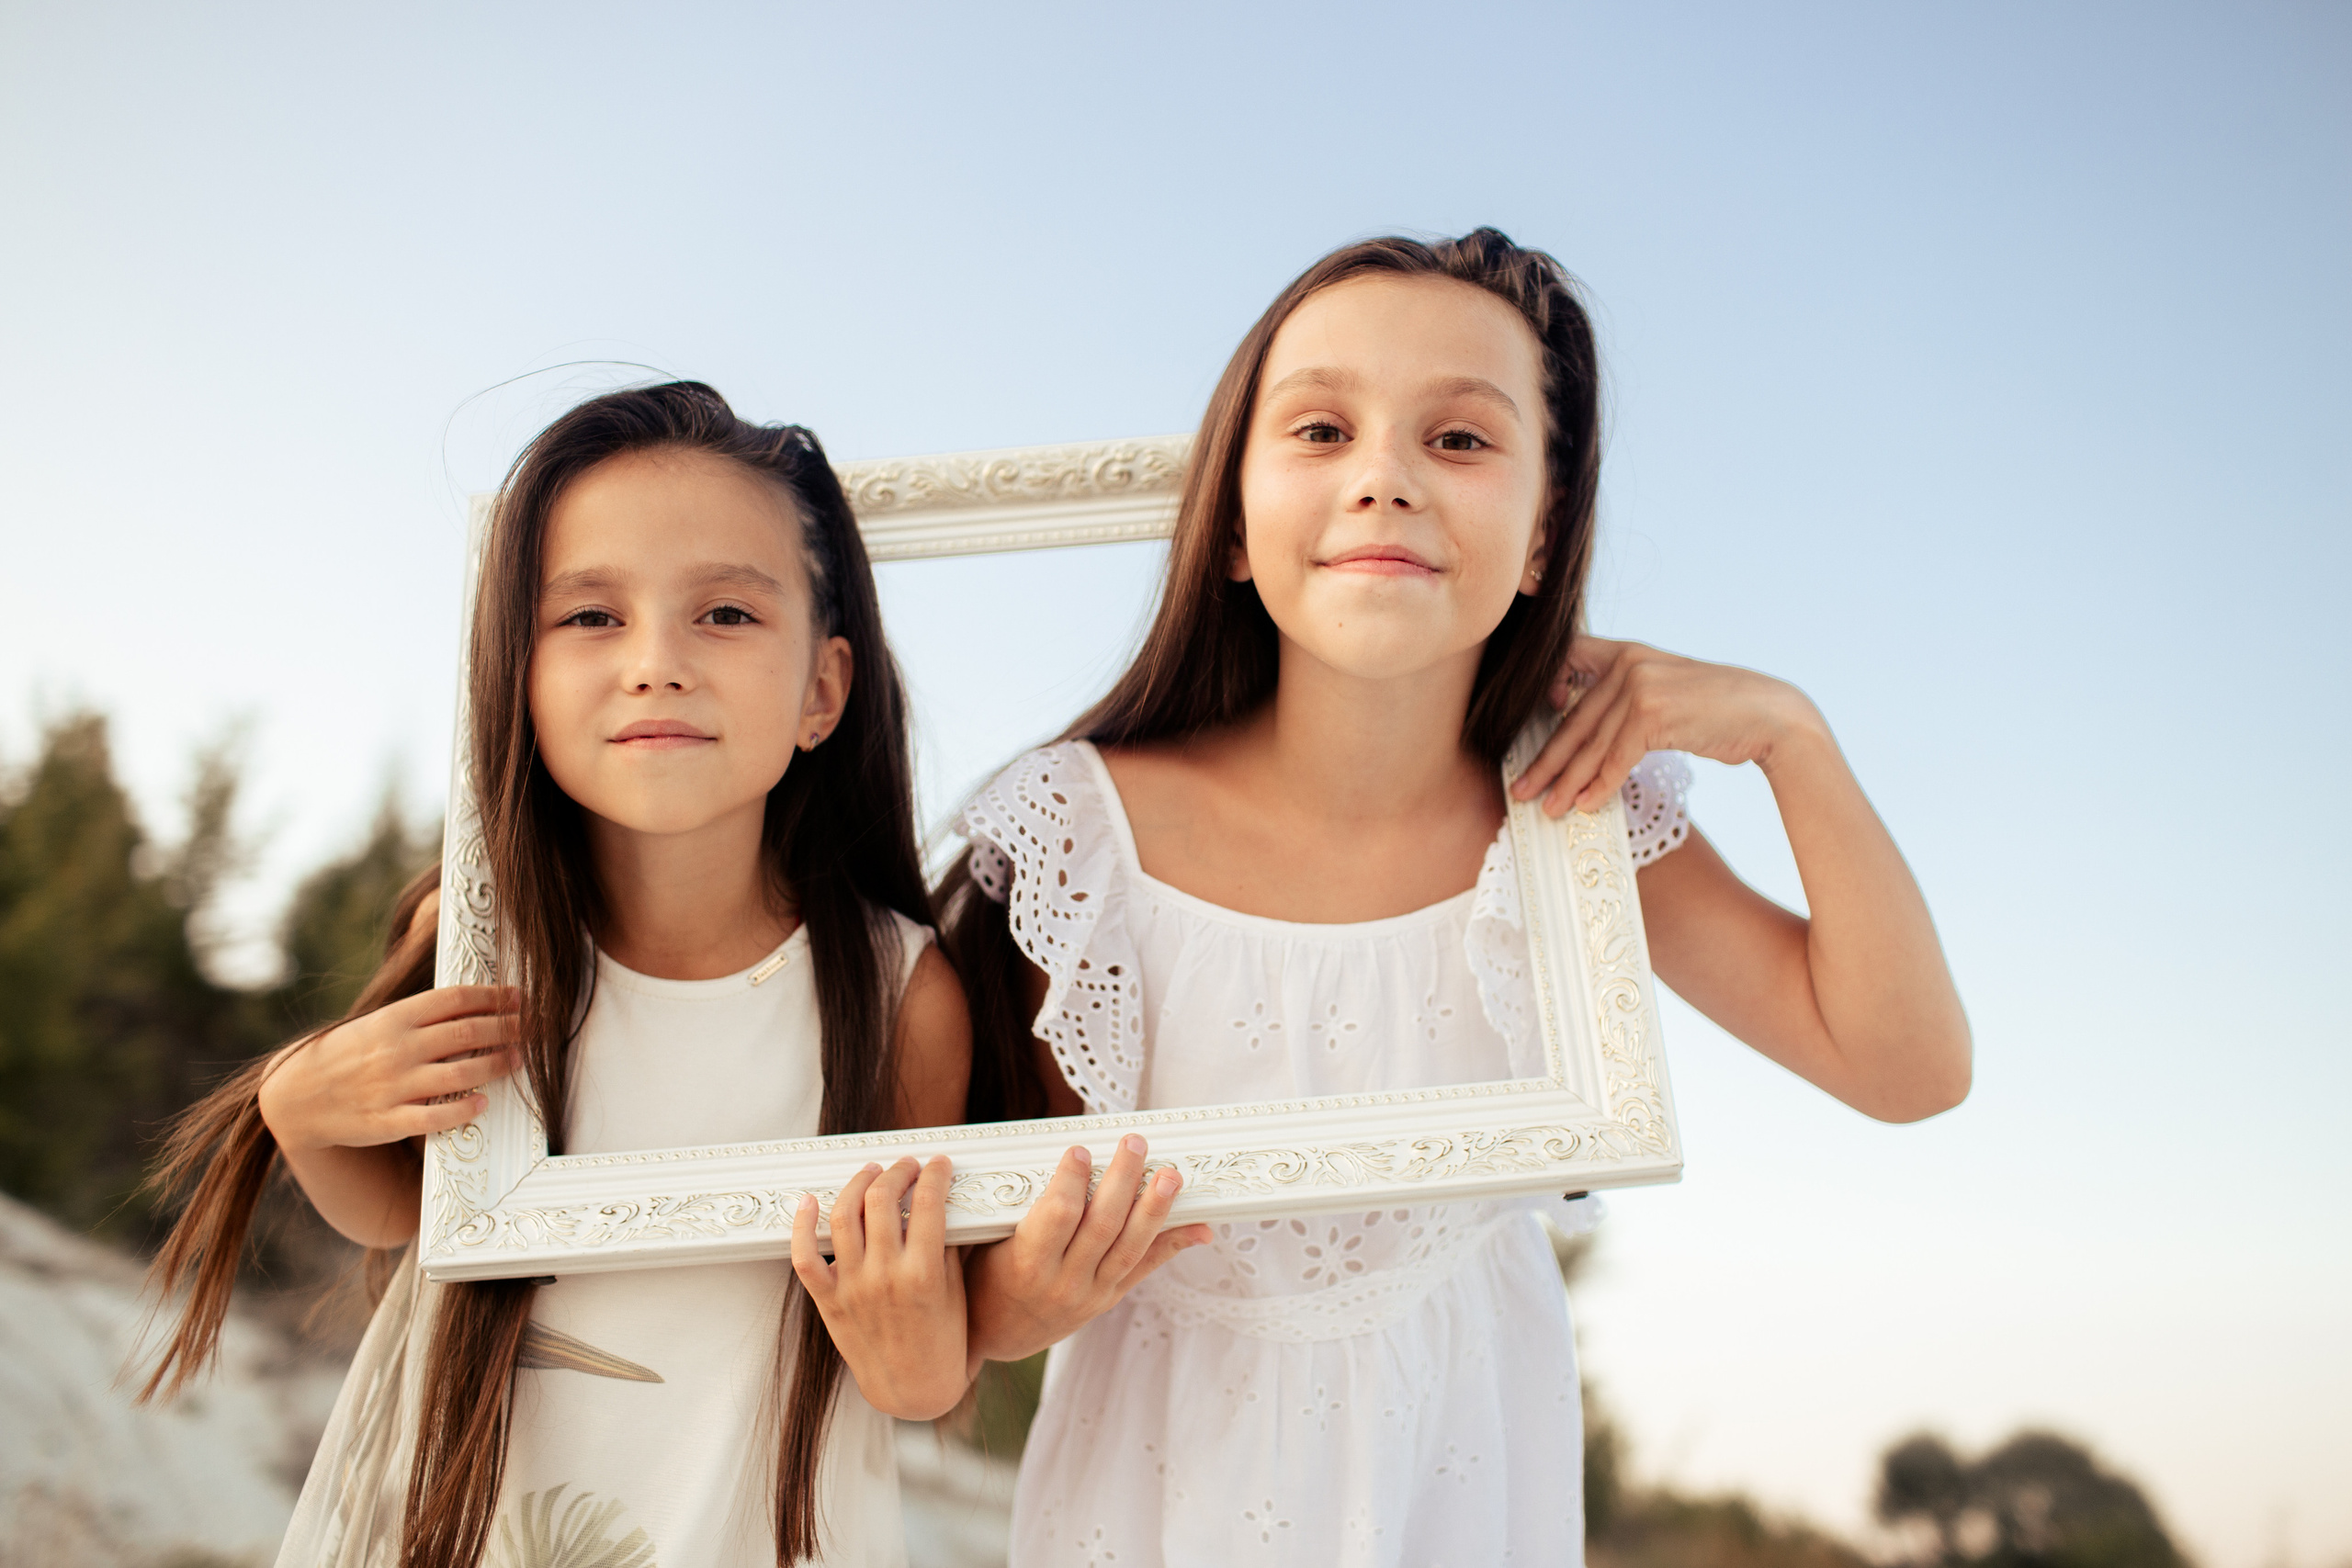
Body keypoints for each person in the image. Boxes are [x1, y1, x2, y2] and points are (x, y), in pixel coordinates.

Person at [945, 229, 1973, 1565]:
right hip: (1154, 1491)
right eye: (1320, 429)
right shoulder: (1084, 831)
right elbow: (957, 1273)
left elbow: (1907, 1068)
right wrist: (1013, 1301)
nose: (1384, 480)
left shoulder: (1573, 822)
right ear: (1238, 526)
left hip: (1463, 1476)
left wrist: (1792, 734)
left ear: (1543, 538)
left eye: (1462, 441)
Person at [140, 382, 984, 1566]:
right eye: (590, 617)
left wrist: (916, 1361)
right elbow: (411, 1210)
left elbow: (917, 1348)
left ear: (822, 691)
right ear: (515, 676)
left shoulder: (899, 994)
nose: (656, 664)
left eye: (728, 616)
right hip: (461, 1512)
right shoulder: (482, 931)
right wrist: (303, 1107)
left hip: (750, 1524)